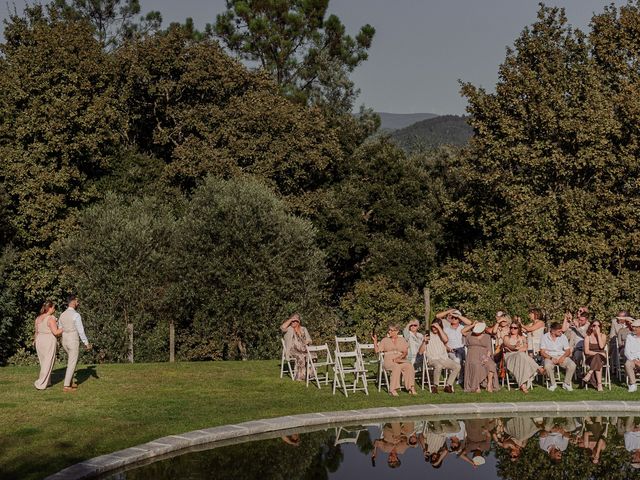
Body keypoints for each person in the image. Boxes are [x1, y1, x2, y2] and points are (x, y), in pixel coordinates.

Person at [59, 294, 91, 392]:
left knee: (71, 361)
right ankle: (66, 386)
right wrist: (86, 343)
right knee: (72, 363)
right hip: (72, 339)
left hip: (64, 340)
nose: (78, 303)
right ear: (72, 302)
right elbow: (80, 330)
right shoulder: (76, 315)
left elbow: (60, 328)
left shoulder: (62, 314)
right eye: (77, 301)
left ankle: (71, 382)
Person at [373, 324, 417, 396]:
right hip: (389, 360)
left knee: (409, 366)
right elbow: (377, 350)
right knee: (396, 367)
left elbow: (405, 352)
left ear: (397, 331)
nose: (389, 332)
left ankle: (411, 387)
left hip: (400, 360)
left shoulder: (402, 340)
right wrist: (375, 341)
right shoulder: (385, 340)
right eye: (389, 330)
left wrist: (400, 358)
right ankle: (392, 389)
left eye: (391, 330)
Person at [502, 322, 544, 393]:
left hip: (520, 358)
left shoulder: (523, 338)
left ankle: (522, 385)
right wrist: (515, 347)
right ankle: (538, 368)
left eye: (515, 328)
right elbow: (507, 345)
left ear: (519, 329)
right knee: (521, 355)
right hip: (510, 357)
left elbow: (525, 348)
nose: (512, 329)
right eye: (511, 327)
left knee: (520, 356)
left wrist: (517, 349)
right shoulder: (506, 337)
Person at [421, 321, 461, 393]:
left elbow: (446, 340)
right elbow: (420, 352)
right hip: (433, 359)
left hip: (444, 358)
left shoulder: (442, 335)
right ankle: (435, 386)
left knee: (457, 366)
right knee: (438, 365)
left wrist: (439, 328)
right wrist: (424, 341)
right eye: (433, 326)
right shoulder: (428, 335)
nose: (435, 328)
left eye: (437, 326)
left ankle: (448, 385)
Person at [436, 308, 472, 384]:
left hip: (463, 349)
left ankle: (470, 377)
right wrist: (450, 312)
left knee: (472, 359)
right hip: (452, 350)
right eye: (452, 317)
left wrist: (458, 316)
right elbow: (437, 316)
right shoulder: (446, 328)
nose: (454, 319)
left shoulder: (462, 327)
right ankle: (459, 378)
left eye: (456, 318)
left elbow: (470, 323)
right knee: (457, 360)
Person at [34, 300, 64, 390]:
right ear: (50, 308)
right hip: (48, 341)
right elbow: (56, 332)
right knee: (48, 362)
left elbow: (36, 332)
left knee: (44, 362)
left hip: (39, 340)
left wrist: (35, 341)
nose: (54, 309)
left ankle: (47, 382)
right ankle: (40, 383)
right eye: (54, 307)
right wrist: (64, 328)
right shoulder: (51, 318)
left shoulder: (38, 318)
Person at [462, 321, 499, 393]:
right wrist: (472, 325)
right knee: (476, 365)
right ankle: (476, 385)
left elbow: (489, 349)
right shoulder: (470, 334)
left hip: (484, 355)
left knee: (491, 365)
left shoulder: (487, 336)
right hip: (472, 355)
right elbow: (462, 331)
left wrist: (487, 358)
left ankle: (489, 384)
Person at [540, 322, 576, 391]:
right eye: (559, 331)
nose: (561, 332)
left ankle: (566, 383)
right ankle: (553, 384)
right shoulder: (545, 337)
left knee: (572, 365)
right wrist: (551, 358)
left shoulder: (563, 337)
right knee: (547, 366)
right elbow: (542, 352)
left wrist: (563, 357)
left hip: (561, 355)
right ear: (553, 331)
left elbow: (568, 351)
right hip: (549, 356)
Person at [280, 313, 312, 381]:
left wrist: (308, 341)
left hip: (303, 349)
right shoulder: (289, 329)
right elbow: (282, 327)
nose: (293, 322)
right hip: (292, 350)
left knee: (313, 355)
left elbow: (310, 340)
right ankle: (300, 376)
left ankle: (310, 374)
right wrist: (291, 319)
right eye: (292, 321)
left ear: (298, 322)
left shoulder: (304, 329)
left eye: (295, 321)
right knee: (300, 356)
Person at [583, 320, 607, 391]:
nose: (596, 327)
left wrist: (598, 335)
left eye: (598, 326)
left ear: (600, 327)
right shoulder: (587, 337)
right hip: (591, 357)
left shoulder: (603, 336)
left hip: (602, 358)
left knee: (598, 358)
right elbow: (586, 351)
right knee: (597, 358)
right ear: (591, 327)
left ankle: (589, 373)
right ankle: (599, 384)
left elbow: (602, 346)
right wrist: (598, 353)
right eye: (594, 325)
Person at [624, 319, 640, 392]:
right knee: (628, 364)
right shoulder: (629, 336)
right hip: (633, 359)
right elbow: (626, 352)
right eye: (633, 327)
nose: (634, 328)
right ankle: (633, 384)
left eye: (636, 327)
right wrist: (634, 360)